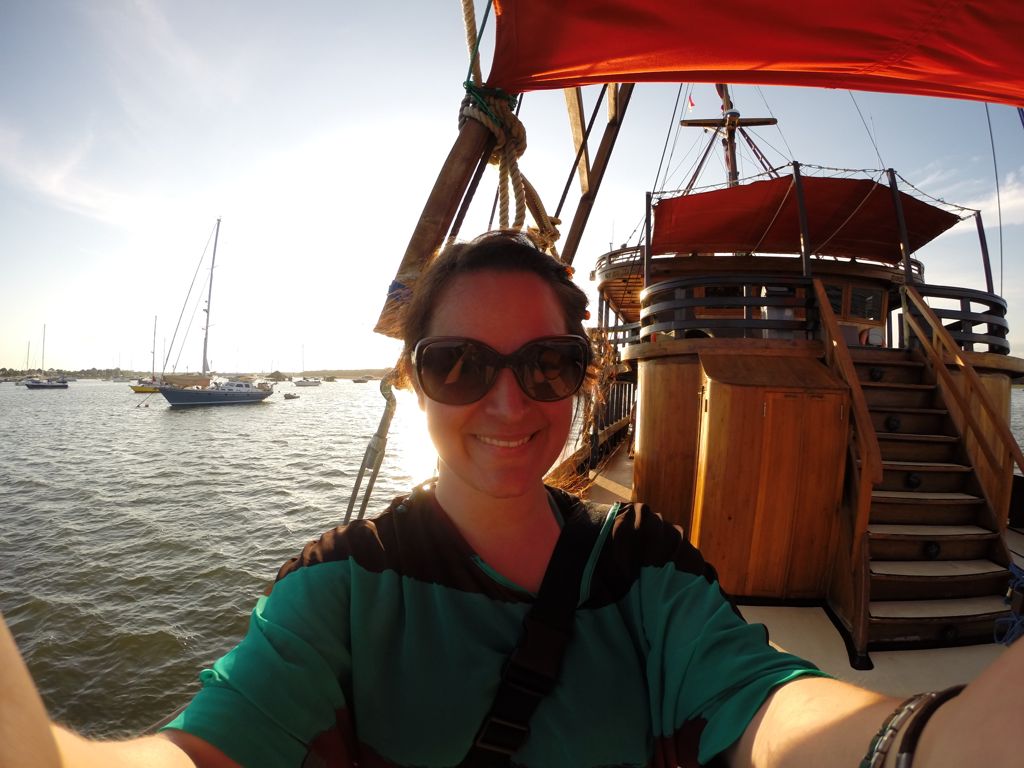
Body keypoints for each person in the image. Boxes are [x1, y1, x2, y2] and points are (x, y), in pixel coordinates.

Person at [1, 230, 1022, 767]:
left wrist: (916, 745)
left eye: (546, 365)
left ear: (583, 380)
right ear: (412, 383)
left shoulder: (644, 567)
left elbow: (762, 703)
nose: (505, 402)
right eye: (456, 364)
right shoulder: (342, 587)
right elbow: (206, 749)